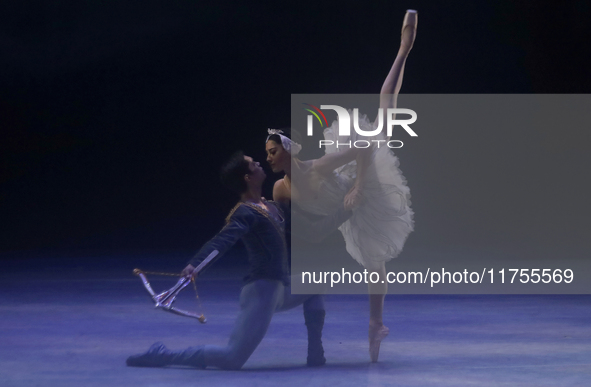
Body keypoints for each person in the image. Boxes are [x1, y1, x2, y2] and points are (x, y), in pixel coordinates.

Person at [265, 10, 417, 362]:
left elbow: (363, 150)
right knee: (370, 255)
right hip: (343, 209)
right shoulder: (280, 191)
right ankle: (375, 325)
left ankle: (403, 48)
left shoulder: (317, 167)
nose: (268, 159)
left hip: (359, 183)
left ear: (287, 152)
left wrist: (360, 187)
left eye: (273, 152)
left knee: (384, 121)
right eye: (267, 154)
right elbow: (291, 228)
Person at [126, 151, 352, 369]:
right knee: (231, 358)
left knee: (316, 284)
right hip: (262, 291)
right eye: (254, 164)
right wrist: (196, 264)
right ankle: (163, 355)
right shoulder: (246, 211)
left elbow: (314, 232)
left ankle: (315, 353)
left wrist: (348, 208)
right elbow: (223, 240)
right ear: (247, 177)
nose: (260, 164)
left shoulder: (273, 208)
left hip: (280, 289)